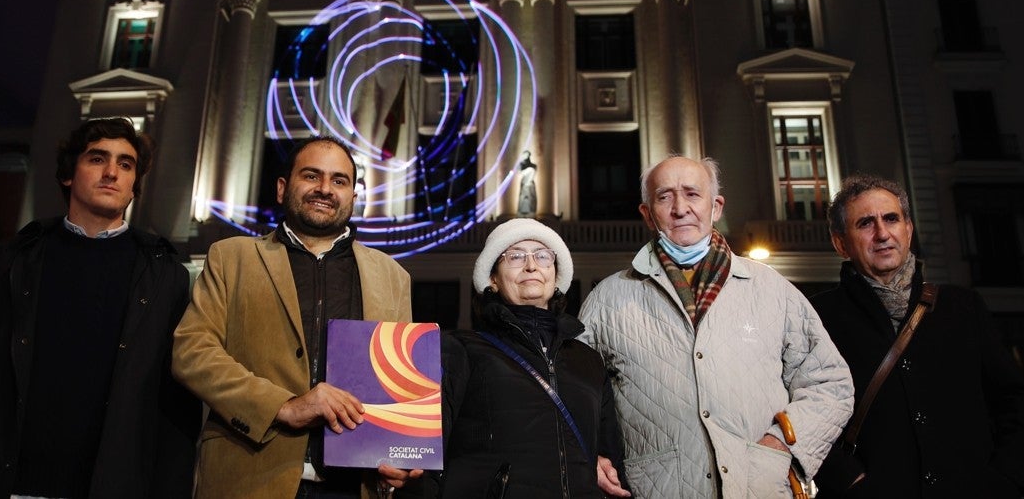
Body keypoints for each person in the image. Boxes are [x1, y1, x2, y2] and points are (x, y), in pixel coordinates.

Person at [0, 117, 199, 498]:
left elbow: (174, 409)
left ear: (135, 187)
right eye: (97, 159)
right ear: (68, 175)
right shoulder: (12, 260)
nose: (112, 172)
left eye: (126, 164)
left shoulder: (166, 275)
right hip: (7, 485)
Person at [578, 155, 853, 497]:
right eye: (664, 197)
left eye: (693, 194)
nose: (681, 208)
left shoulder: (770, 288)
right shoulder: (608, 299)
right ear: (648, 214)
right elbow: (572, 390)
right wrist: (590, 452)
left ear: (716, 206)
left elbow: (831, 383)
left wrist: (782, 445)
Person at [172, 135, 420, 497]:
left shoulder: (393, 277)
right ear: (282, 188)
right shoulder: (231, 257)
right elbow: (191, 352)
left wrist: (398, 453)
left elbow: (399, 386)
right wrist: (283, 407)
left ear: (353, 196)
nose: (325, 189)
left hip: (353, 485)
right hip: (248, 477)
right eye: (311, 176)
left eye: (339, 180)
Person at [810, 174, 1024, 498]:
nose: (882, 234)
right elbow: (802, 413)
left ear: (908, 230)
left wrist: (1008, 482)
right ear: (840, 243)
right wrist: (850, 481)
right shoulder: (818, 317)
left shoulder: (963, 307)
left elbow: (1017, 404)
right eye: (865, 223)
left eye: (891, 219)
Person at [436, 218, 630, 499]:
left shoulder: (587, 360)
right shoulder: (461, 350)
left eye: (542, 256)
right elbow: (428, 458)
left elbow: (610, 460)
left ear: (555, 272)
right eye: (515, 256)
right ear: (493, 277)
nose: (531, 266)